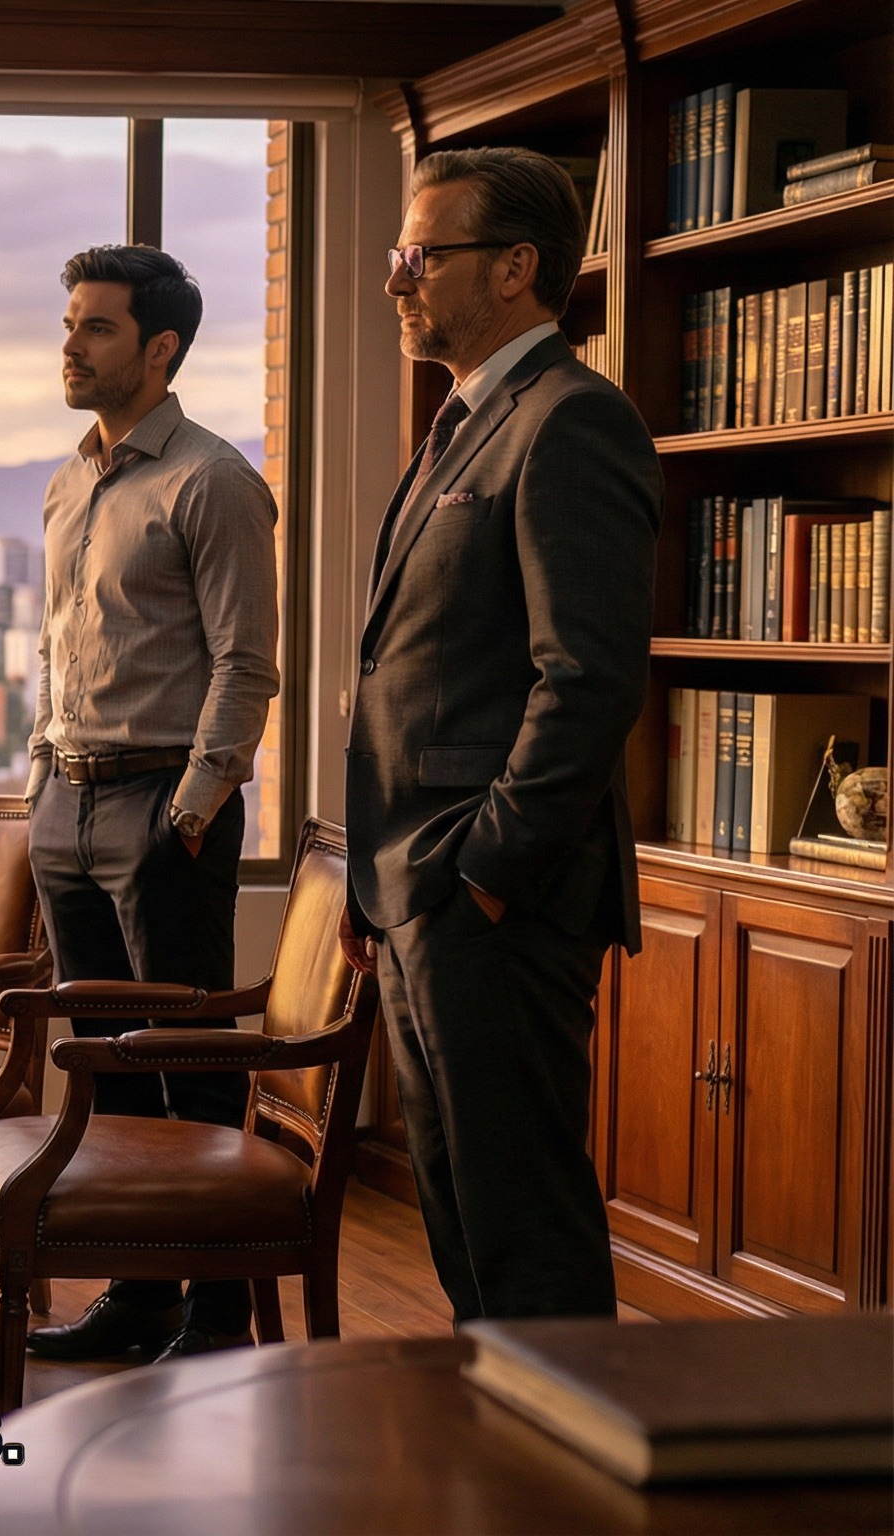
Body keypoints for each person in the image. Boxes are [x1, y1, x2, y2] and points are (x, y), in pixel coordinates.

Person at [343, 146, 654, 1322]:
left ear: (516, 267)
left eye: (421, 256)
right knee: (460, 1212)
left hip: (492, 897)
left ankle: (568, 1488)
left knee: (522, 1224)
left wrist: (483, 873)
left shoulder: (573, 421)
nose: (396, 280)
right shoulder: (466, 418)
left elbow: (582, 677)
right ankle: (497, 1461)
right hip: (421, 887)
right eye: (395, 256)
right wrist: (398, 887)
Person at [22, 245, 281, 1366]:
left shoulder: (211, 481)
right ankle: (140, 1296)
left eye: (97, 328)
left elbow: (245, 664)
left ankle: (219, 1314)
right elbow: (62, 645)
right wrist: (42, 770)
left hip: (161, 809)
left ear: (160, 348)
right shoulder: (70, 477)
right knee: (106, 1065)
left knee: (188, 1064)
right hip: (65, 805)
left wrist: (191, 806)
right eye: (69, 322)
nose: (70, 345)